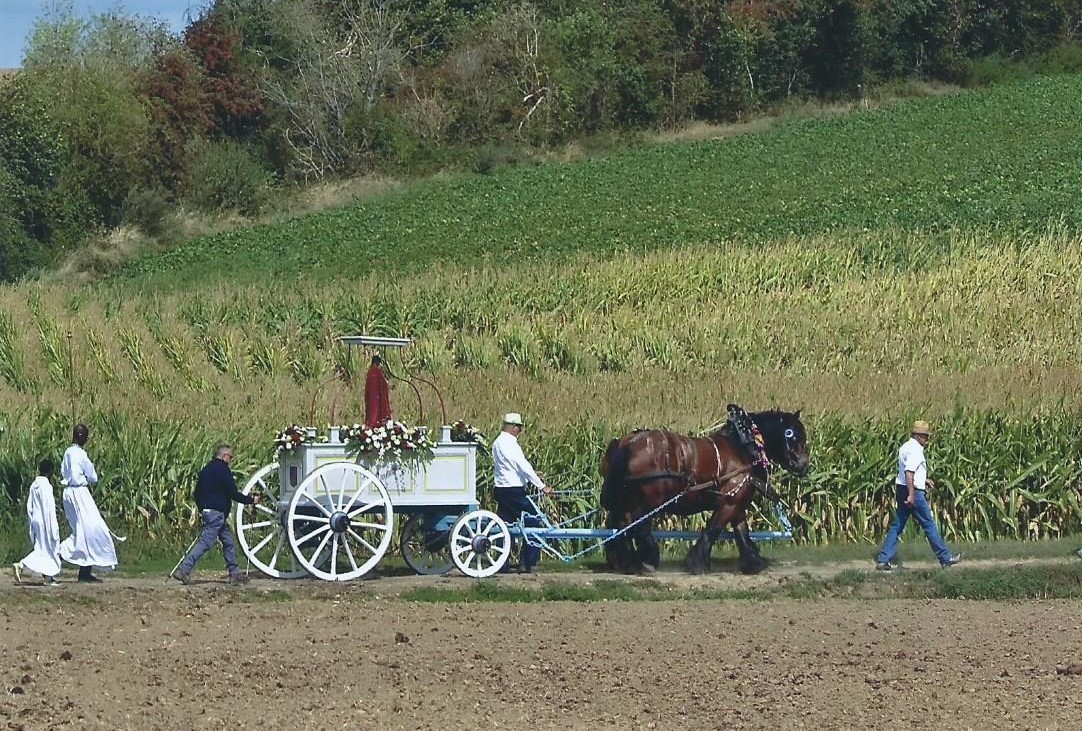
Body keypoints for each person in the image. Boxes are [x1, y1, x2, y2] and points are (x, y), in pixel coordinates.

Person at [875, 420, 962, 571]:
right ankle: (945, 557)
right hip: (912, 491)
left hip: (901, 488)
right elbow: (909, 472)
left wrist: (924, 480)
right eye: (926, 437)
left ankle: (883, 559)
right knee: (928, 524)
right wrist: (911, 495)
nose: (927, 440)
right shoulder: (916, 450)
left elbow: (906, 471)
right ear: (919, 436)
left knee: (898, 525)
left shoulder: (905, 447)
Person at [171, 444, 259, 585]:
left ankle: (234, 573)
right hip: (217, 513)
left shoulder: (206, 470)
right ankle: (184, 570)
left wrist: (202, 508)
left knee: (228, 541)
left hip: (209, 512)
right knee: (205, 543)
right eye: (230, 457)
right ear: (224, 456)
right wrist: (250, 500)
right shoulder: (223, 471)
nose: (231, 460)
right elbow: (233, 493)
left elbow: (197, 493)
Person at [491, 412, 552, 573]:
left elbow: (509, 467)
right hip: (513, 491)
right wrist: (541, 486)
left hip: (501, 489)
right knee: (534, 522)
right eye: (519, 427)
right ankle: (527, 561)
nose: (520, 431)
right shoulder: (510, 444)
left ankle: (501, 562)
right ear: (513, 427)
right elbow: (522, 465)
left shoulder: (497, 442)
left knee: (504, 527)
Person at [59, 424, 118, 582]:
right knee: (93, 529)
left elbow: (64, 472)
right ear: (82, 437)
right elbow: (93, 477)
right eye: (85, 436)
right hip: (79, 493)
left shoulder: (67, 453)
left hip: (67, 493)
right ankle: (58, 555)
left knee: (83, 532)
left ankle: (84, 572)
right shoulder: (81, 454)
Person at [13, 459, 62, 586]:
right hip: (45, 521)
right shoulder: (46, 486)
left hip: (36, 520)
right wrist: (53, 527)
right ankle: (22, 565)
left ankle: (48, 576)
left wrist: (32, 522)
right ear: (50, 471)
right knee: (48, 549)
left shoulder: (34, 485)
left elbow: (29, 506)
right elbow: (49, 508)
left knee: (42, 549)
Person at [364, 354, 392, 428]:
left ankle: (370, 425)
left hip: (370, 398)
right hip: (378, 398)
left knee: (371, 414)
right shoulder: (378, 372)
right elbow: (383, 385)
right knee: (376, 415)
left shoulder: (370, 372)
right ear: (378, 364)